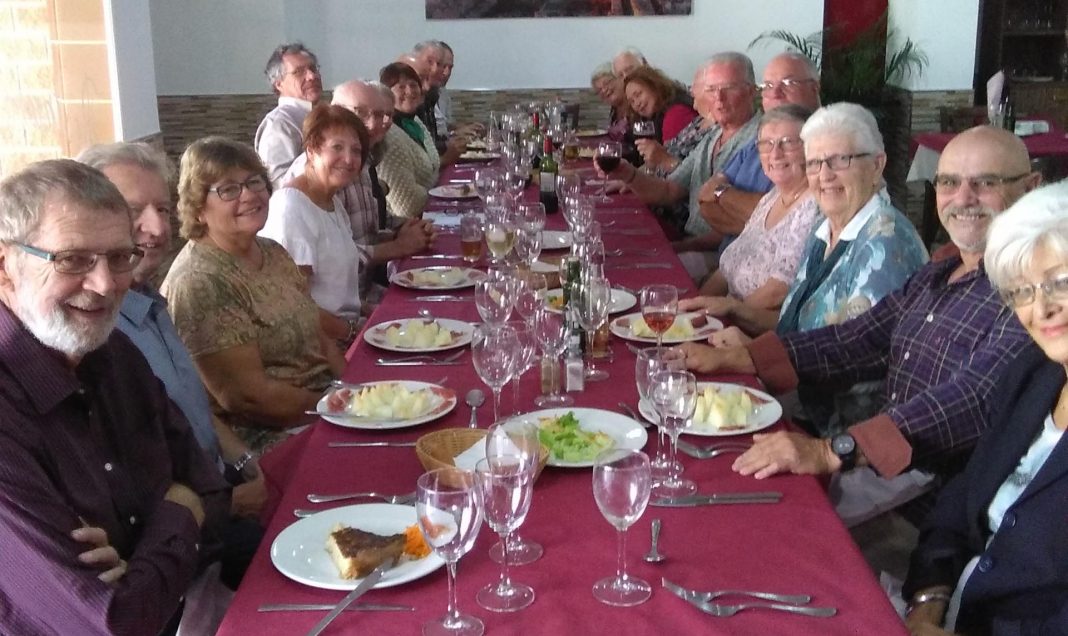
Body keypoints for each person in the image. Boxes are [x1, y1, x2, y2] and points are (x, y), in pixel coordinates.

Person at [677, 125, 1040, 527]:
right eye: (949, 182)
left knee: (747, 522)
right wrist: (740, 357)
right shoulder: (942, 271)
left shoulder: (1032, 292)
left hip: (929, 511)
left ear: (1030, 187)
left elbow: (972, 400)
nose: (963, 198)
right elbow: (857, 340)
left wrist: (832, 451)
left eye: (985, 182)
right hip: (876, 473)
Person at [0, 159, 229, 634]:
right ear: (5, 267)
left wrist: (139, 552)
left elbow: (210, 486)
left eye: (119, 257)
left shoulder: (113, 353)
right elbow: (113, 620)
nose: (105, 284)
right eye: (73, 259)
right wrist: (178, 511)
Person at [903, 182, 1068, 636]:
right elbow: (964, 495)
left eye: (1060, 282)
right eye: (1022, 291)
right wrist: (928, 597)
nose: (1042, 308)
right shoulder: (1034, 375)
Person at [162, 137, 341, 453]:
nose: (249, 195)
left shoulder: (271, 252)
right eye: (228, 189)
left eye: (254, 182)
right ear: (198, 208)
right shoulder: (200, 280)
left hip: (324, 405)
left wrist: (355, 391)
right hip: (266, 435)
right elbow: (248, 398)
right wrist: (338, 409)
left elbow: (318, 335)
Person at [600, 52, 771, 280]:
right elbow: (669, 190)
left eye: (729, 88)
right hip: (691, 240)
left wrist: (678, 247)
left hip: (723, 255)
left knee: (638, 274)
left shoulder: (761, 142)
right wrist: (626, 173)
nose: (718, 98)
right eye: (711, 90)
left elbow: (745, 223)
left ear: (752, 91)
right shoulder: (714, 135)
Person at [692, 105, 822, 314]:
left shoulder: (814, 206)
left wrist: (725, 314)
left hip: (753, 330)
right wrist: (694, 311)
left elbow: (777, 292)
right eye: (766, 144)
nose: (775, 154)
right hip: (725, 316)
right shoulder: (772, 198)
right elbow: (725, 271)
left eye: (788, 143)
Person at [695, 51, 824, 254]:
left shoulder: (827, 141)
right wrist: (761, 224)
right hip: (728, 262)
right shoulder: (758, 140)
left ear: (815, 87)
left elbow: (790, 216)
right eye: (769, 86)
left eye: (788, 84)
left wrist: (723, 195)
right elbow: (705, 202)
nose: (775, 93)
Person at [261, 105, 369, 346]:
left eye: (356, 150)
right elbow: (293, 303)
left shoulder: (331, 202)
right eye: (337, 148)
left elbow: (337, 293)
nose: (349, 159)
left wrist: (374, 314)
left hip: (344, 331)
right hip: (318, 346)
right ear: (311, 150)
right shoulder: (293, 207)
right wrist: (351, 333)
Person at [377, 61, 464, 219]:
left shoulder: (415, 122)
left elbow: (433, 167)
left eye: (413, 84)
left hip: (427, 214)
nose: (410, 91)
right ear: (386, 94)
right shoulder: (390, 135)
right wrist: (439, 190)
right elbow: (406, 205)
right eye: (401, 87)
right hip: (405, 226)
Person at [255, 42, 323, 189]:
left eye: (313, 68)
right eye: (299, 72)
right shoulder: (280, 123)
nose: (312, 76)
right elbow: (279, 184)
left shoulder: (321, 115)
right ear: (278, 84)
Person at [623, 65, 698, 145]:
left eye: (638, 95)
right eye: (632, 101)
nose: (637, 104)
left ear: (654, 86)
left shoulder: (677, 113)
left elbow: (670, 155)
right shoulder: (651, 120)